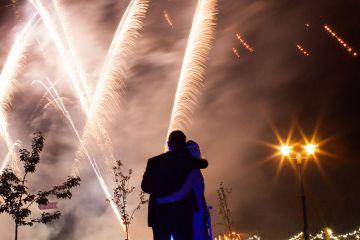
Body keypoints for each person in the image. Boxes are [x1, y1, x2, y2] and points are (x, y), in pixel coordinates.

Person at [141, 131, 208, 240]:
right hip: (183, 214)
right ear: (184, 144)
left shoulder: (153, 161)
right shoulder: (188, 161)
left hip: (159, 215)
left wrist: (160, 192)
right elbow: (204, 163)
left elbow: (145, 187)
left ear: (168, 144)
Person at [157, 140, 210, 240]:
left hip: (197, 215)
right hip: (196, 214)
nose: (196, 151)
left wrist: (161, 200)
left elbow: (180, 194)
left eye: (196, 148)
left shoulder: (194, 171)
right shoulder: (194, 170)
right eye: (192, 149)